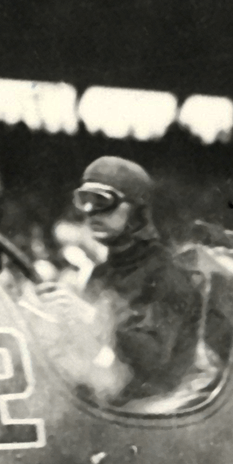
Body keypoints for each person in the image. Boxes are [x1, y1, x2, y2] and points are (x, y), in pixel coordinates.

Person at [39, 157, 202, 403]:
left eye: (103, 201)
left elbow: (153, 357)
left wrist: (90, 317)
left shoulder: (167, 274)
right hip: (110, 401)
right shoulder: (102, 273)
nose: (91, 212)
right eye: (85, 201)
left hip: (156, 414)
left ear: (136, 209)